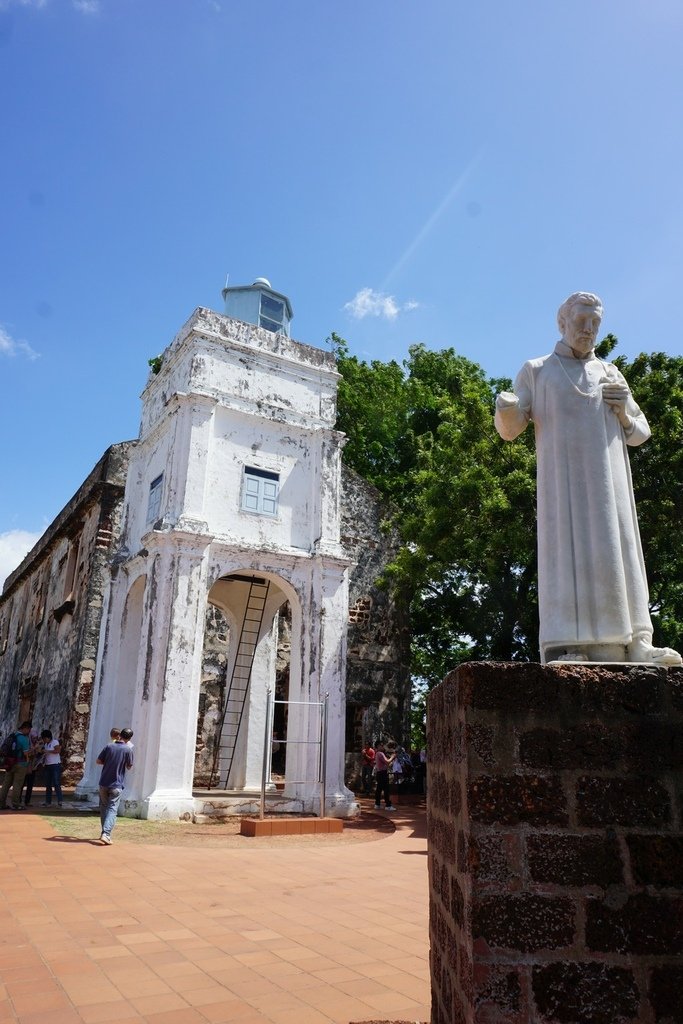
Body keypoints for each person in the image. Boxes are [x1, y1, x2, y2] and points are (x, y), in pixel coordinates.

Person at [495, 291, 682, 666]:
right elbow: (510, 429)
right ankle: (569, 645)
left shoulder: (610, 373)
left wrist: (624, 410)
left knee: (621, 549)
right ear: (562, 322)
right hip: (562, 485)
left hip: (609, 481)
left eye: (595, 323)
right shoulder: (538, 369)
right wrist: (507, 408)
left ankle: (637, 642)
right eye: (582, 321)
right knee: (567, 550)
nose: (589, 329)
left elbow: (640, 431)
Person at [96, 727, 134, 845]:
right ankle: (106, 834)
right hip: (116, 783)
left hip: (104, 782)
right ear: (129, 739)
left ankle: (105, 833)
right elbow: (129, 766)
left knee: (104, 808)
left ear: (120, 735)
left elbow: (98, 761)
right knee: (112, 809)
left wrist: (108, 762)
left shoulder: (109, 746)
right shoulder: (128, 750)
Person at [0, 721, 32, 810]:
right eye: (29, 729)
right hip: (20, 764)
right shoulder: (24, 739)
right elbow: (26, 753)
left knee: (6, 784)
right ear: (26, 728)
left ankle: (1, 803)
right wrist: (33, 750)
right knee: (17, 785)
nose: (29, 732)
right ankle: (16, 804)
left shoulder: (12, 735)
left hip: (10, 763)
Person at [40, 730, 63, 807]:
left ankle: (60, 800)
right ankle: (48, 801)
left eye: (44, 738)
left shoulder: (55, 742)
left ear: (48, 737)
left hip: (55, 765)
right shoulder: (46, 744)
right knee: (48, 784)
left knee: (56, 783)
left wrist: (48, 751)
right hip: (48, 765)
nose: (44, 740)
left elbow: (58, 750)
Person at [373, 742, 394, 811]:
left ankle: (377, 804)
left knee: (379, 789)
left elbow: (386, 764)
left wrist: (390, 762)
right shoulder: (380, 753)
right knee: (386, 789)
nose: (383, 747)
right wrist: (392, 757)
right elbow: (387, 762)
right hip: (382, 773)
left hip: (380, 773)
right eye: (381, 745)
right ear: (378, 746)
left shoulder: (377, 754)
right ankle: (388, 805)